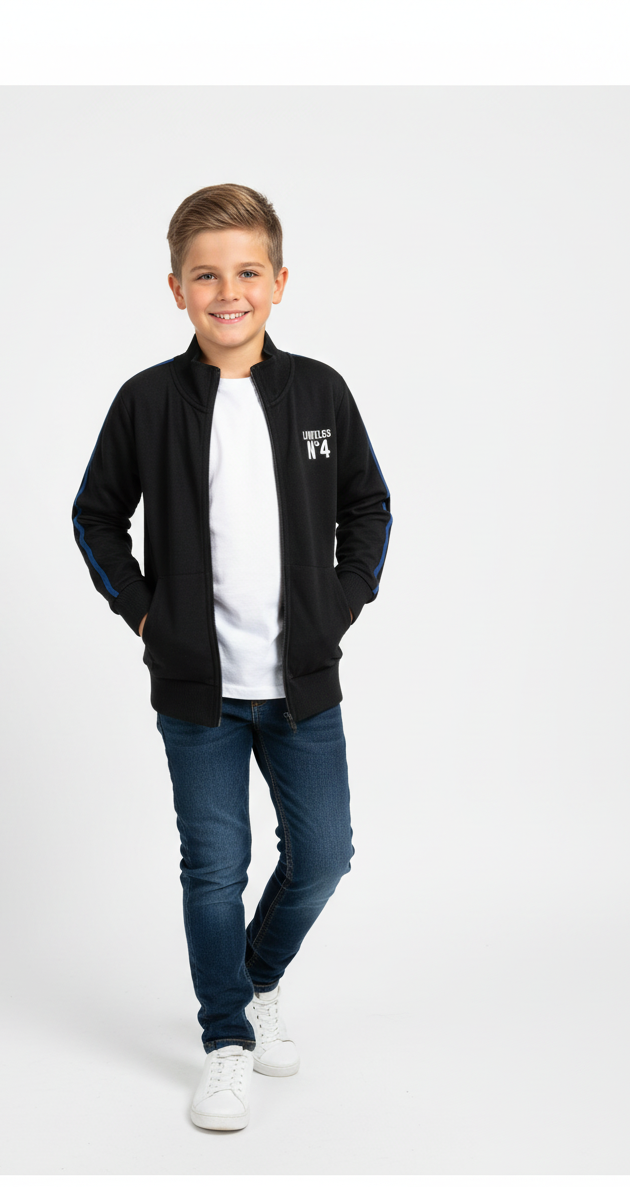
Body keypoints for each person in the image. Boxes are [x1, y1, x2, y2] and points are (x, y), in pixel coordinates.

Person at [72, 183, 392, 1131]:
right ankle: (226, 1040)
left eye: (247, 272)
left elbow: (369, 506)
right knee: (215, 867)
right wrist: (147, 619)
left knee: (325, 855)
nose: (228, 292)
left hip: (302, 685)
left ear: (279, 282)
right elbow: (95, 516)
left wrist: (340, 605)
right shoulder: (147, 401)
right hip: (197, 693)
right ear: (177, 289)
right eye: (206, 276)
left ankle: (255, 980)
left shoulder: (320, 392)